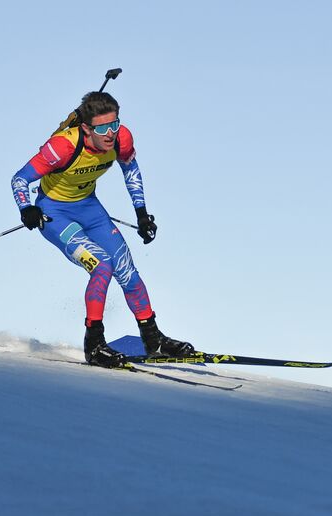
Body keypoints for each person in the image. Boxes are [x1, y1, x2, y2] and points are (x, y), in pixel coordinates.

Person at [11, 91, 196, 367]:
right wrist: (27, 209)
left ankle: (153, 339)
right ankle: (94, 344)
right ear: (86, 128)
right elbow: (19, 179)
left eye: (115, 124)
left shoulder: (121, 138)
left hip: (90, 208)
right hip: (54, 214)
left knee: (126, 269)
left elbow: (131, 170)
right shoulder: (62, 147)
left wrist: (142, 214)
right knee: (102, 265)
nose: (111, 133)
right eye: (103, 128)